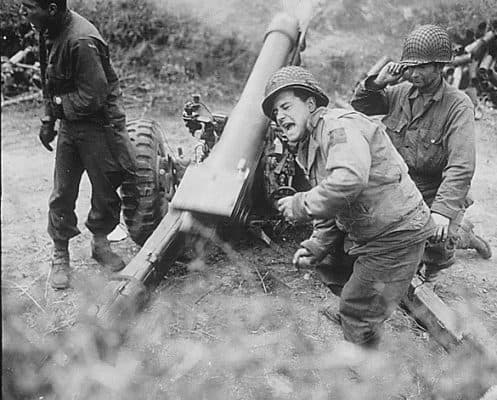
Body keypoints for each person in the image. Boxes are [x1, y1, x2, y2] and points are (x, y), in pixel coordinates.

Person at [262, 65, 435, 348]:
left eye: (285, 106)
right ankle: (365, 302)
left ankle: (364, 348)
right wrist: (316, 245)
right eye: (275, 114)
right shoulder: (310, 144)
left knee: (356, 309)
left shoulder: (336, 126)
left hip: (396, 233)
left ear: (310, 103)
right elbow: (333, 206)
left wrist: (301, 203)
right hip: (373, 231)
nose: (280, 117)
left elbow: (349, 179)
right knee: (328, 262)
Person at [351, 24, 492, 282]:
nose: (413, 73)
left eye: (421, 67)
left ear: (439, 67)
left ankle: (461, 237)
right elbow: (359, 107)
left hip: (433, 190)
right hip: (399, 186)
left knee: (437, 242)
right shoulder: (401, 93)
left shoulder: (458, 105)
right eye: (410, 66)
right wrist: (379, 82)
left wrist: (442, 212)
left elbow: (461, 166)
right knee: (363, 228)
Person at [20, 0, 136, 289]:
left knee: (106, 189)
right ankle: (60, 253)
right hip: (72, 123)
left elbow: (92, 97)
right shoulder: (47, 27)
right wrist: (49, 118)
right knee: (63, 190)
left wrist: (58, 105)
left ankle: (100, 242)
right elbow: (50, 80)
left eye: (29, 8)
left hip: (99, 125)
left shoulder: (82, 40)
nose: (26, 14)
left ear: (52, 8)